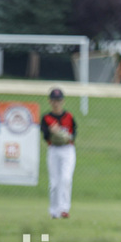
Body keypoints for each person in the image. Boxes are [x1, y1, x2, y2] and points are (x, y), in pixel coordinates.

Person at [40, 87, 77, 219]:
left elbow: (73, 134)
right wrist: (52, 132)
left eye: (59, 100)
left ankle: (64, 209)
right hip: (54, 150)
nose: (56, 103)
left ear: (63, 101)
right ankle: (54, 211)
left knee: (66, 179)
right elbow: (45, 136)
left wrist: (65, 135)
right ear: (50, 101)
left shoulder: (69, 116)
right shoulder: (47, 118)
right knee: (54, 182)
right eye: (54, 100)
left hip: (67, 150)